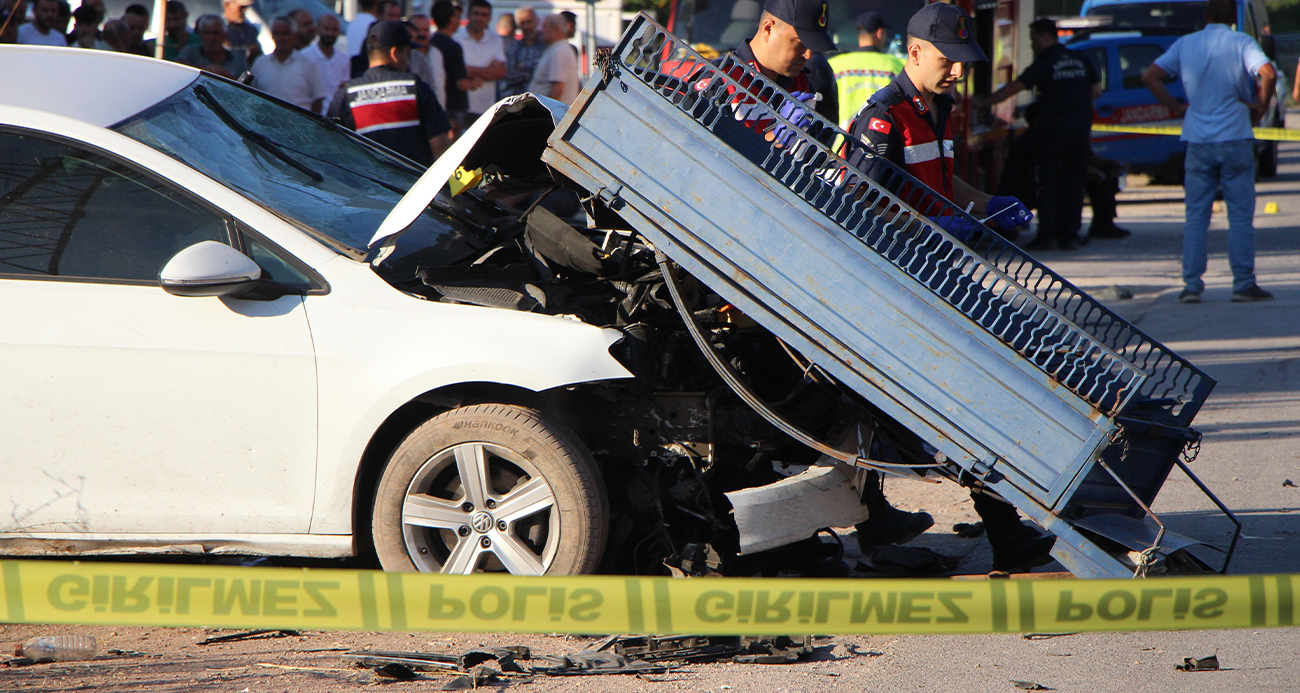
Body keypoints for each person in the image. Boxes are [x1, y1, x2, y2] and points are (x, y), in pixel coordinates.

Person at [849, 3, 1051, 572]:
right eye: (948, 60)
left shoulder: (933, 109)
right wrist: (937, 225)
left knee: (955, 405)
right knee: (959, 405)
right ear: (913, 52)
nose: (959, 71)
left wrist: (986, 205)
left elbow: (942, 180)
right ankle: (1001, 533)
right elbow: (863, 204)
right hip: (899, 284)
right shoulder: (883, 117)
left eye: (963, 61)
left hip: (936, 275)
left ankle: (997, 533)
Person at [1143, 0, 1275, 303]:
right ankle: (1243, 283)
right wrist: (1260, 108)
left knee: (1196, 217)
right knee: (1240, 216)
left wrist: (1174, 107)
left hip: (1198, 140)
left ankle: (1192, 286)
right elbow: (1268, 74)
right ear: (1232, 17)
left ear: (1205, 15)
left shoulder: (1185, 44)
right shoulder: (1242, 42)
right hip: (1234, 137)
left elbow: (1150, 76)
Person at [979, 18, 1099, 251]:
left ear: (1045, 37)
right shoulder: (1082, 59)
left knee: (1048, 183)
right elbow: (1096, 91)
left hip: (1053, 131)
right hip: (1080, 130)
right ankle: (1069, 236)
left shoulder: (1046, 62)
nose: (1032, 44)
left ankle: (1046, 236)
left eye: (1033, 38)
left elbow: (1016, 87)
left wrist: (984, 102)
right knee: (1074, 183)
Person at [329, 21, 452, 166]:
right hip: (414, 185)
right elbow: (440, 148)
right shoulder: (415, 88)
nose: (408, 62)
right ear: (394, 54)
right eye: (407, 54)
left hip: (366, 185)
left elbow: (332, 150)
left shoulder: (346, 95)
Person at [828, 12, 904, 129]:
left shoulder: (835, 65)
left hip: (841, 142)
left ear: (859, 34)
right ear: (879, 33)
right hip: (880, 139)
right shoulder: (897, 66)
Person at [251, 16, 328, 113]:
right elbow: (251, 95)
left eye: (285, 34)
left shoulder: (307, 64)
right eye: (277, 33)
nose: (281, 38)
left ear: (294, 36)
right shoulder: (260, 63)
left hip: (299, 124)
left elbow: (318, 99)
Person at [454, 0, 506, 125]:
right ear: (468, 15)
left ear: (489, 18)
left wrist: (467, 70)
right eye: (476, 13)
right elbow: (453, 71)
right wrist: (488, 71)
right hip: (460, 106)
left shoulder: (495, 39)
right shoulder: (456, 37)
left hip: (486, 108)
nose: (479, 18)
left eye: (484, 15)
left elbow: (501, 71)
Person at [431, 0, 470, 129]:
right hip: (453, 108)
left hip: (435, 103)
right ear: (451, 19)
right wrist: (475, 83)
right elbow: (462, 84)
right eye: (456, 16)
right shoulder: (453, 47)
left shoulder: (431, 42)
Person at [527, 14, 580, 104]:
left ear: (556, 29)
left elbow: (558, 89)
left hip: (552, 115)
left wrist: (547, 113)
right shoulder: (556, 49)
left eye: (545, 27)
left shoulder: (560, 51)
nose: (541, 30)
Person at [302, 13, 350, 111]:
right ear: (318, 29)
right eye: (326, 29)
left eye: (334, 29)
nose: (330, 33)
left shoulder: (344, 59)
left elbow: (344, 88)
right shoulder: (305, 56)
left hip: (336, 115)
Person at [178, 15, 249, 78]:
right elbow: (178, 68)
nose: (211, 37)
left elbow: (246, 87)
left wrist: (224, 74)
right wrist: (206, 70)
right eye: (206, 33)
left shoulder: (239, 61)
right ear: (200, 35)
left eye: (216, 33)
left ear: (225, 35)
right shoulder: (190, 52)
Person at [498, 7, 542, 99]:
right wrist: (533, 70)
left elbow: (546, 74)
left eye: (530, 22)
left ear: (537, 22)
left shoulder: (545, 45)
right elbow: (509, 74)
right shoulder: (514, 47)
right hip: (519, 98)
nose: (527, 26)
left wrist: (522, 68)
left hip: (542, 97)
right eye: (523, 23)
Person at [409, 14, 446, 108]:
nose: (422, 34)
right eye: (417, 30)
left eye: (425, 30)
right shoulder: (407, 56)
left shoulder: (437, 53)